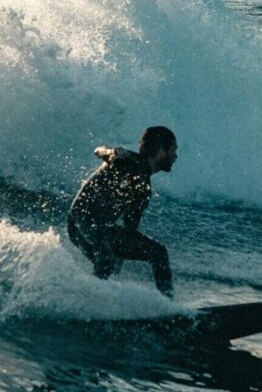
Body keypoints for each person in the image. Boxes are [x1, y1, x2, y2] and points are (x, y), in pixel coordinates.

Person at [67, 126, 178, 297]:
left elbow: (130, 228)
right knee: (106, 260)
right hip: (80, 220)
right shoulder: (128, 160)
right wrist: (113, 151)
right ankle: (89, 303)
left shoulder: (144, 188)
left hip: (103, 228)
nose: (175, 156)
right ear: (162, 151)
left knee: (158, 253)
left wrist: (121, 253)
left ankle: (169, 307)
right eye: (173, 150)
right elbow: (99, 151)